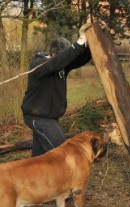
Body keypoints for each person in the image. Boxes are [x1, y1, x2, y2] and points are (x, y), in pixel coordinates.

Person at [21, 23, 92, 157]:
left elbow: (79, 59)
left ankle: (34, 176)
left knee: (39, 156)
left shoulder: (61, 65)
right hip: (38, 116)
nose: (65, 61)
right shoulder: (38, 64)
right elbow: (59, 61)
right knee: (64, 154)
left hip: (50, 116)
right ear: (52, 53)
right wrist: (80, 41)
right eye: (62, 57)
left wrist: (89, 44)